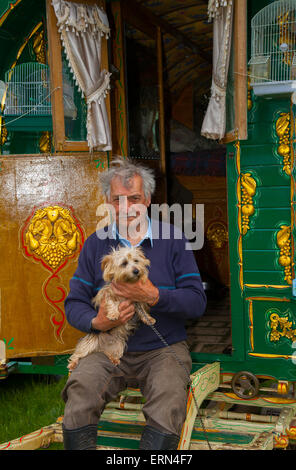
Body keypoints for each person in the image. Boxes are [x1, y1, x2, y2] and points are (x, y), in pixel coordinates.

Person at [62, 157, 207, 450]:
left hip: (163, 347)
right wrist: (98, 322)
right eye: (118, 199)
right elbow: (74, 303)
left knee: (169, 398)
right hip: (107, 344)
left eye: (135, 198)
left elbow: (196, 302)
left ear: (149, 199)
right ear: (107, 201)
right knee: (81, 389)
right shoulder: (95, 244)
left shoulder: (173, 239)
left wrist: (154, 296)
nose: (126, 207)